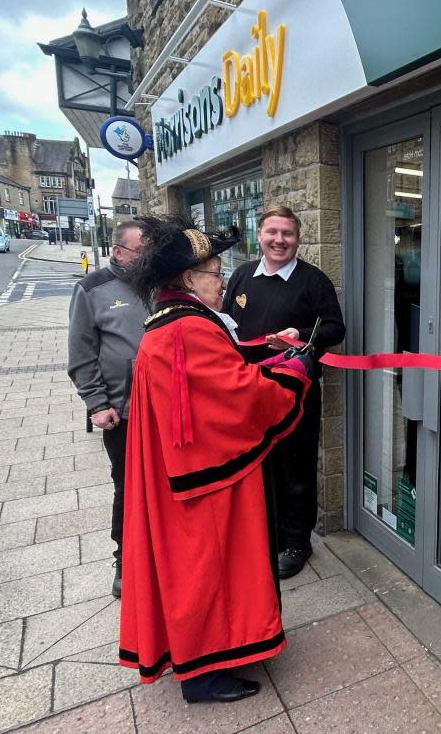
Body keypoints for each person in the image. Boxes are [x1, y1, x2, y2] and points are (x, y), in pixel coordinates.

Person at [118, 214, 312, 703]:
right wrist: (295, 373)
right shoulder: (187, 328)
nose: (222, 282)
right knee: (205, 568)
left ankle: (207, 656)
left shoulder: (173, 320)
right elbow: (238, 395)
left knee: (198, 568)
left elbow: (214, 375)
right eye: (214, 273)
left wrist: (266, 358)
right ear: (188, 278)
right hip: (202, 483)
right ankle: (204, 673)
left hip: (179, 469)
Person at [222, 206, 344, 579]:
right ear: (258, 235)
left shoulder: (313, 281)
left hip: (294, 393)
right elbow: (226, 324)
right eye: (272, 232)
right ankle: (269, 536)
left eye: (287, 234)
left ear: (298, 238)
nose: (279, 240)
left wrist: (303, 337)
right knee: (259, 466)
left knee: (296, 468)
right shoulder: (243, 275)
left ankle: (296, 543)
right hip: (248, 391)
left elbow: (337, 329)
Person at [66, 221, 147, 598]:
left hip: (164, 409)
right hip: (123, 412)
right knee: (128, 487)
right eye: (142, 249)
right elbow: (81, 354)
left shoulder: (162, 284)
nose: (150, 255)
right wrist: (96, 403)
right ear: (118, 252)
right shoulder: (92, 289)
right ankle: (125, 560)